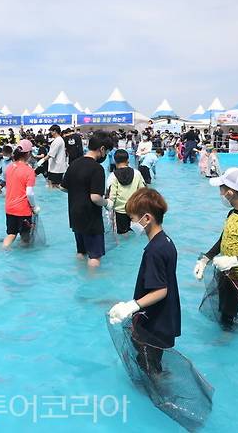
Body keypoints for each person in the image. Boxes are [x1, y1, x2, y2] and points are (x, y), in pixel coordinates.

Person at [108, 187, 181, 373]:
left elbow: (160, 290)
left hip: (154, 323)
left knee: (149, 368)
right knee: (153, 362)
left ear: (147, 218)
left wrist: (131, 306)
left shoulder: (153, 251)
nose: (132, 223)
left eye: (133, 219)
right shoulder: (166, 241)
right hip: (165, 317)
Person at [193, 168, 238, 329]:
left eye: (221, 189)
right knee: (220, 308)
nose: (220, 193)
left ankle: (225, 341)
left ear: (230, 193)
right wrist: (205, 259)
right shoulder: (232, 213)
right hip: (224, 273)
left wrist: (235, 260)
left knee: (228, 317)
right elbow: (222, 241)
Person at [61, 131, 114, 268]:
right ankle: (93, 283)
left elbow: (63, 187)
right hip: (90, 217)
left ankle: (80, 273)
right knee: (94, 256)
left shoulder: (74, 164)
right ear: (102, 149)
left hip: (74, 214)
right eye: (106, 151)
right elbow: (95, 198)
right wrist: (107, 203)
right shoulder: (97, 169)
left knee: (81, 252)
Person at [3, 139, 39, 248]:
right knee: (25, 239)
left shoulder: (9, 168)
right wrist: (34, 207)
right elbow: (29, 193)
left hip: (9, 208)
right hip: (23, 210)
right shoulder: (29, 171)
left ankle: (3, 250)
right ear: (28, 153)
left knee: (11, 234)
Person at [106, 149, 146, 234]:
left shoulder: (112, 176)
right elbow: (143, 192)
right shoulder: (137, 173)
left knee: (123, 235)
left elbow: (111, 197)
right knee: (136, 233)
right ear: (128, 160)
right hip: (135, 210)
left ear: (114, 160)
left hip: (120, 212)